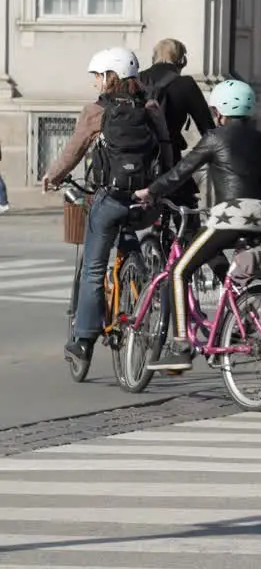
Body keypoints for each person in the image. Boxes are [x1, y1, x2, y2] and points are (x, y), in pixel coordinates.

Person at [42, 47, 173, 364]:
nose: (95, 83)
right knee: (130, 235)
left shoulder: (95, 112)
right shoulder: (151, 107)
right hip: (146, 202)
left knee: (93, 269)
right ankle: (139, 286)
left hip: (110, 199)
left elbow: (74, 151)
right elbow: (166, 150)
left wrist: (52, 176)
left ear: (108, 77)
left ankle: (84, 341)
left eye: (97, 77)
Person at [133, 80, 261, 371]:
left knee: (179, 270)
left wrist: (151, 191)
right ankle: (233, 321)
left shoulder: (215, 137)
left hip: (230, 217)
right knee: (216, 256)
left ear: (219, 110)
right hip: (260, 216)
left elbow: (181, 172)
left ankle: (182, 344)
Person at [136, 38, 216, 208]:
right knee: (186, 209)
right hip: (169, 160)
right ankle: (187, 232)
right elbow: (208, 129)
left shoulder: (137, 80)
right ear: (182, 60)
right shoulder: (185, 84)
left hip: (138, 159)